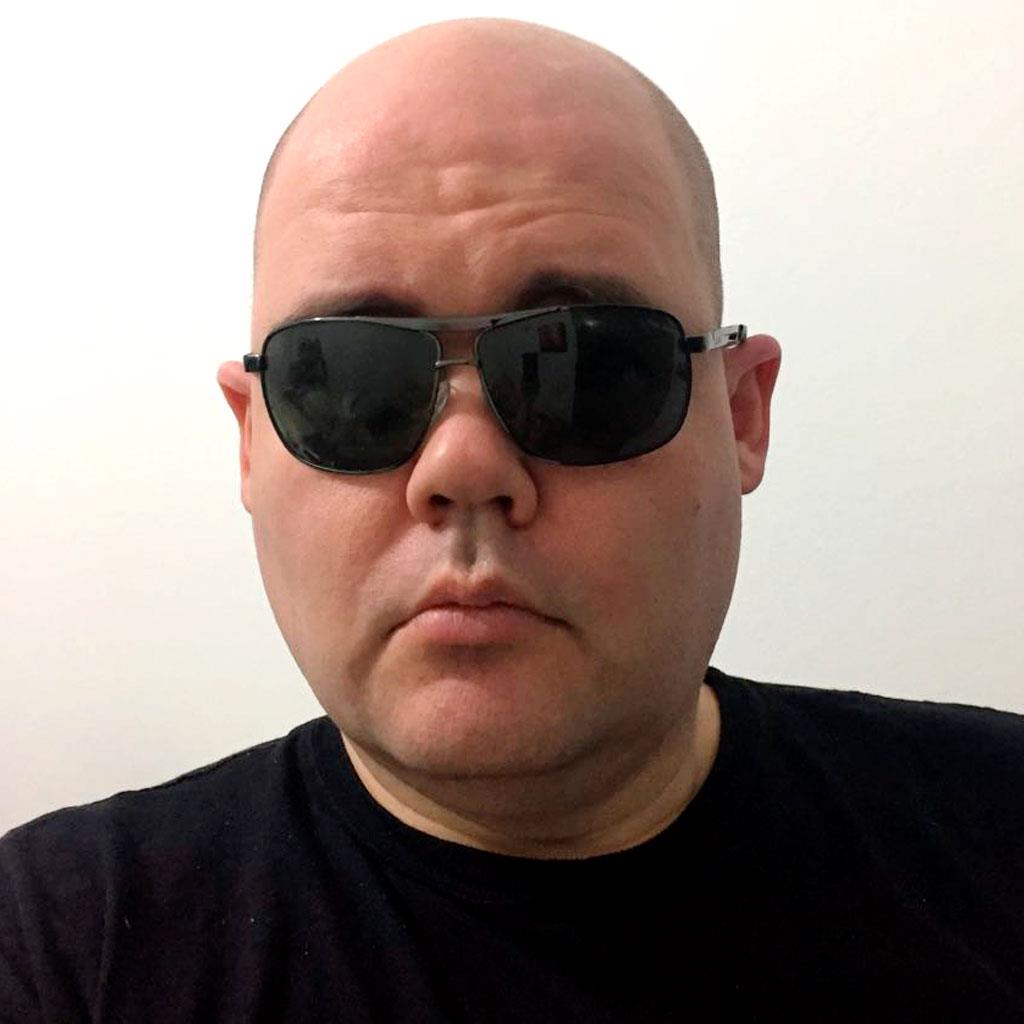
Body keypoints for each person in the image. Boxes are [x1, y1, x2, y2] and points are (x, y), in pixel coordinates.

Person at [1, 17, 1022, 1022]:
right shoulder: (61, 950)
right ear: (251, 442)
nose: (463, 467)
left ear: (742, 415)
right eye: (348, 377)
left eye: (586, 365)